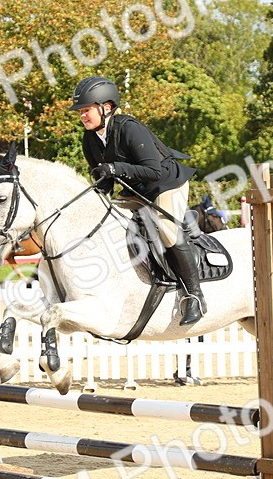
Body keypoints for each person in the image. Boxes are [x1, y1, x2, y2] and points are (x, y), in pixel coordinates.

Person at [70, 75, 204, 324]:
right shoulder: (89, 139)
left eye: (86, 110)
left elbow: (153, 171)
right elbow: (105, 181)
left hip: (166, 184)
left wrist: (115, 168)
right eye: (80, 111)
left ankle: (194, 296)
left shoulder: (130, 128)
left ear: (106, 107)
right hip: (137, 190)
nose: (82, 116)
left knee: (166, 228)